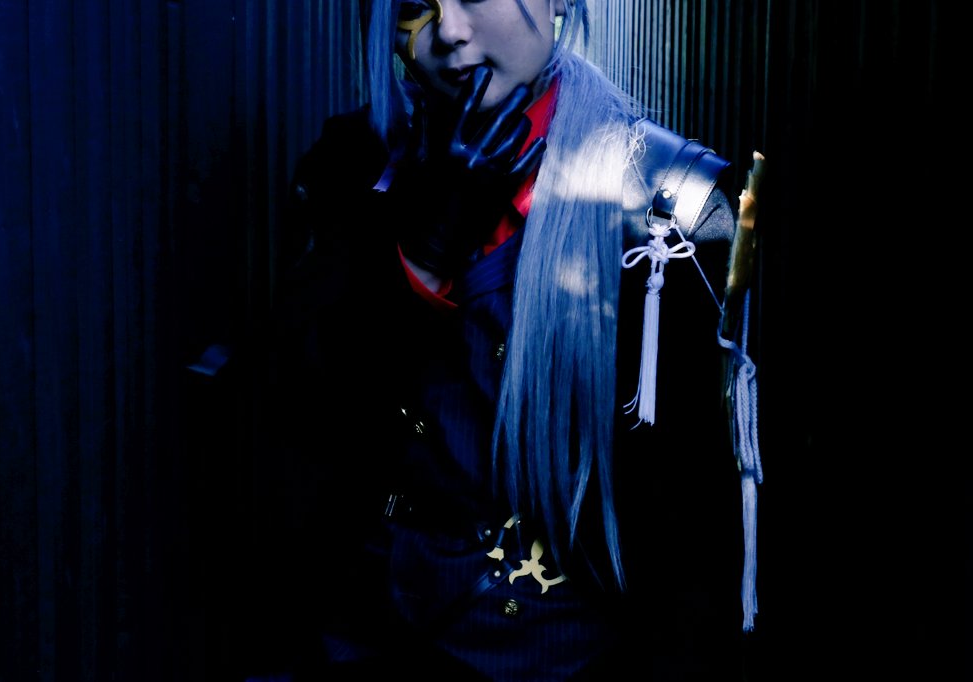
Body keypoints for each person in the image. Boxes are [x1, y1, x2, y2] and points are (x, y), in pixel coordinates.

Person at [269, 1, 755, 679]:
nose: (449, 31)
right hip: (361, 632)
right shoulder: (351, 164)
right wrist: (424, 255)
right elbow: (306, 422)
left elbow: (692, 544)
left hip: (560, 659)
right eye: (413, 6)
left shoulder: (667, 211)